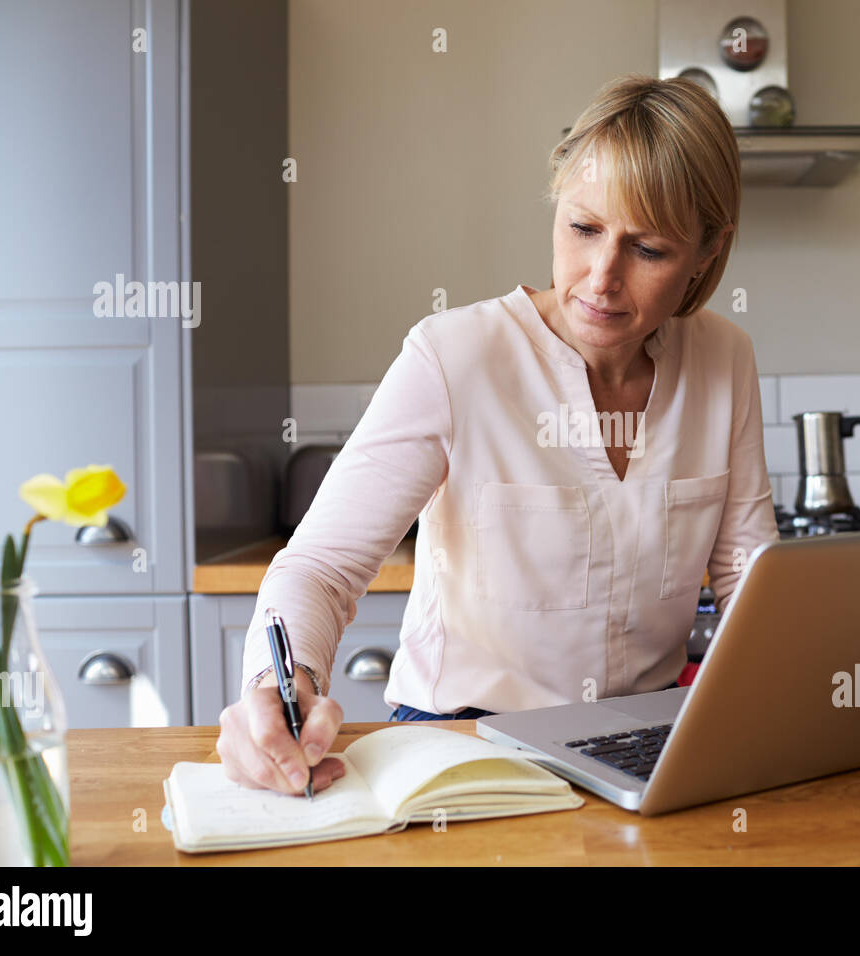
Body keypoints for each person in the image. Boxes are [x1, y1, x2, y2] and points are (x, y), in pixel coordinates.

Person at [215, 74, 778, 796]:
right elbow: (321, 567)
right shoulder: (454, 357)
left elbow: (747, 582)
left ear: (707, 250)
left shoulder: (725, 358)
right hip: (465, 744)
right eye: (583, 230)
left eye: (648, 250)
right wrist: (276, 685)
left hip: (649, 745)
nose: (601, 277)